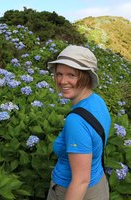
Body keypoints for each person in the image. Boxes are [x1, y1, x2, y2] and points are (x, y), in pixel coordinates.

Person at [46, 45, 111, 200]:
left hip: (72, 191)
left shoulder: (75, 122)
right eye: (59, 74)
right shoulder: (97, 101)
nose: (62, 81)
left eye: (71, 75)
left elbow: (81, 180)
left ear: (86, 77)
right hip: (99, 184)